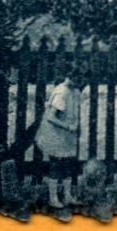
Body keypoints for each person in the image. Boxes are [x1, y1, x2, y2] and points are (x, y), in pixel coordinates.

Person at [35, 61, 85, 207]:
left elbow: (73, 112)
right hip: (56, 134)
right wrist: (67, 126)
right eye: (77, 77)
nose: (79, 81)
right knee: (56, 165)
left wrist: (74, 127)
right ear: (69, 76)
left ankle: (67, 195)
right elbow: (50, 117)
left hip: (68, 135)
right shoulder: (61, 91)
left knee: (68, 164)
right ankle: (53, 198)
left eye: (81, 78)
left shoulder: (75, 92)